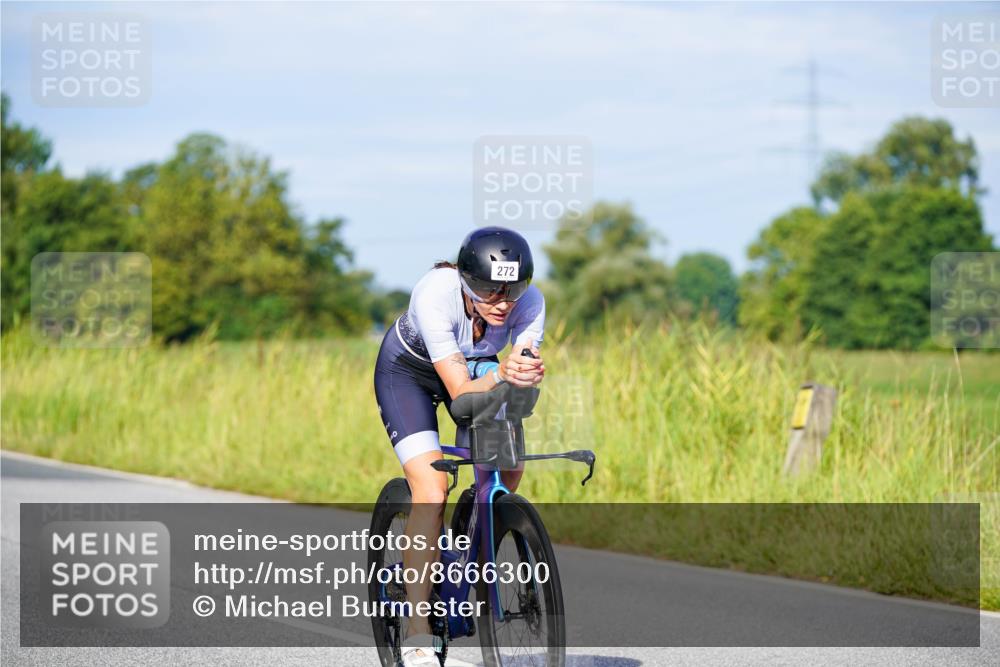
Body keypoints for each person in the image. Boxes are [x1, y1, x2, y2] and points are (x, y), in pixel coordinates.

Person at [373, 226, 546, 666]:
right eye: (490, 291)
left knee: (507, 473)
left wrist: (525, 377)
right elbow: (462, 392)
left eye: (513, 289)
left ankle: (474, 522)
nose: (504, 302)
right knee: (430, 490)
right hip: (410, 375)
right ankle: (417, 629)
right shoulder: (435, 294)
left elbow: (516, 381)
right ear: (467, 281)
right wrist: (504, 375)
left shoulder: (532, 303)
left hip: (478, 373)